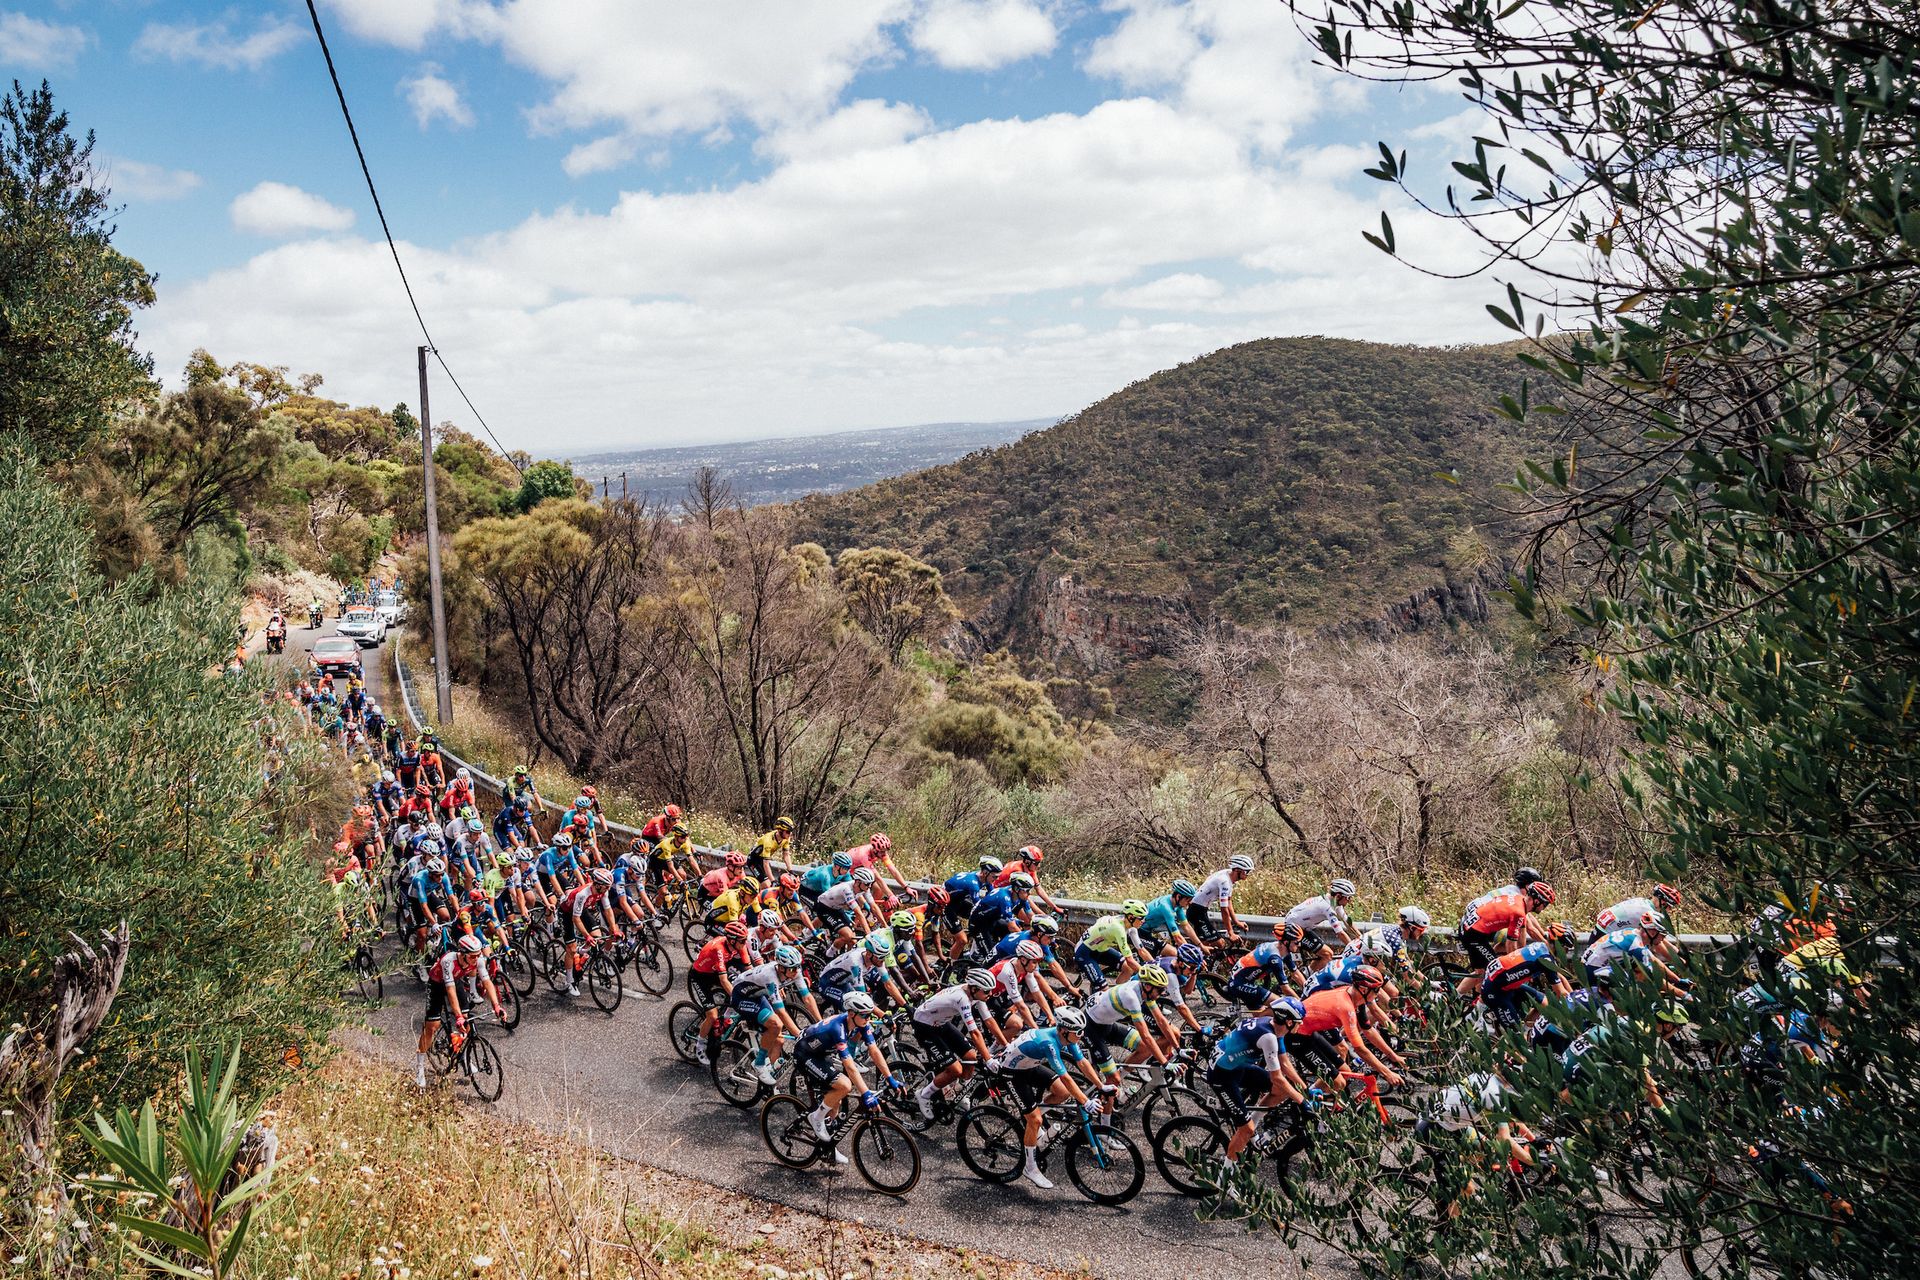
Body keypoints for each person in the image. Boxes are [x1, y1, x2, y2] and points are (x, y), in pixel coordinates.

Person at [987, 1007, 1108, 1189]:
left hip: (1028, 1065)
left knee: (1062, 1093)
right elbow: (1066, 1077)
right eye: (1078, 1032)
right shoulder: (1049, 1043)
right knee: (1035, 1120)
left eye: (1082, 1031)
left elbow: (1082, 1062)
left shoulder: (1068, 1037)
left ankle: (1032, 1118)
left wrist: (1101, 1085)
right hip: (1011, 1072)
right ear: (1064, 1030)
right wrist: (1086, 1101)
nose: (1081, 1036)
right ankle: (1030, 1167)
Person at [794, 994, 899, 1166]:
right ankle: (815, 1118)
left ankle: (828, 1147)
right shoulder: (838, 1028)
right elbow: (850, 1067)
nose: (868, 1018)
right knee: (844, 1085)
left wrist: (890, 1078)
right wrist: (866, 1093)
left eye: (870, 1014)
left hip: (822, 1053)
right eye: (865, 1015)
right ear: (851, 1013)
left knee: (835, 1101)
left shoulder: (861, 1023)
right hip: (805, 1054)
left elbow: (874, 1051)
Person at [1209, 1002, 1310, 1160]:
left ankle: (1253, 1130)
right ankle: (1223, 1179)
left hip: (1235, 1066)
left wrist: (1304, 1090)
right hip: (1221, 1075)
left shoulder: (1274, 1027)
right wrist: (1302, 1101)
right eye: (1299, 1021)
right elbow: (1276, 1077)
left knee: (1281, 1091)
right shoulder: (1269, 1037)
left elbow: (1284, 1063)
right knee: (1246, 1129)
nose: (1300, 1025)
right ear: (1289, 1022)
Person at [910, 970, 1002, 1119]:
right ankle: (923, 1094)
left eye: (991, 990)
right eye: (986, 991)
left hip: (941, 1022)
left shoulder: (976, 994)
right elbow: (975, 1033)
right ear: (974, 988)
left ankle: (959, 1092)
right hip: (924, 1025)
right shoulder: (962, 998)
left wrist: (1005, 1044)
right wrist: (989, 1059)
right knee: (955, 1070)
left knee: (971, 1056)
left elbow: (989, 1020)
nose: (990, 994)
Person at [415, 935, 503, 1088]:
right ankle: (420, 1068)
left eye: (478, 955)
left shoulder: (478, 959)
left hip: (455, 981)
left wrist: (497, 1006)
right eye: (473, 956)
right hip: (437, 984)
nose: (477, 959)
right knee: (432, 1027)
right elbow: (450, 991)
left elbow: (487, 982)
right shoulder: (448, 960)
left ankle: (464, 1056)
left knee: (468, 1021)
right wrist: (458, 1016)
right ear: (462, 954)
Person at [726, 945, 817, 1085]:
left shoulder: (793, 970)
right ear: (781, 968)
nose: (796, 972)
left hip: (757, 995)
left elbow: (807, 998)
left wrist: (821, 1022)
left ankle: (768, 1079)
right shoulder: (770, 976)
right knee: (776, 1025)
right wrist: (799, 1035)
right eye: (793, 969)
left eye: (798, 967)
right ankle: (759, 1063)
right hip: (741, 997)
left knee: (779, 1040)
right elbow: (780, 1011)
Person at [1455, 880, 1556, 995]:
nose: (1545, 908)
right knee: (1495, 971)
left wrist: (1541, 945)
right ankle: (1470, 1001)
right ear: (1537, 901)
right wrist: (1517, 966)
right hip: (1474, 935)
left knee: (1482, 972)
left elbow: (1527, 932)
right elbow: (1511, 944)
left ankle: (1462, 997)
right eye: (1545, 904)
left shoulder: (1519, 900)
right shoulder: (1518, 912)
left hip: (1472, 928)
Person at [1190, 855, 1256, 943]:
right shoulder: (1224, 881)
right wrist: (1231, 933)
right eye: (1247, 871)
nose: (1248, 874)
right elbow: (1224, 909)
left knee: (1207, 944)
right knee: (1219, 943)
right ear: (1237, 870)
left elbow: (1228, 901)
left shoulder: (1229, 876)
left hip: (1200, 910)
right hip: (1196, 912)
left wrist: (1236, 922)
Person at [1073, 912, 1139, 990]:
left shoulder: (1127, 924)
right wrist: (1146, 974)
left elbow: (1141, 949)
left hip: (1099, 949)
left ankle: (1119, 993)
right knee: (1105, 990)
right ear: (1131, 917)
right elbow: (1129, 959)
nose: (1144, 921)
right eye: (1141, 918)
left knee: (1128, 968)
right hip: (1085, 953)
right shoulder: (1118, 929)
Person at [1285, 879, 1360, 947]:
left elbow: (1349, 924)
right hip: (1293, 927)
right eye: (1348, 898)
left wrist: (1362, 939)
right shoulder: (1327, 907)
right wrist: (1353, 949)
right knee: (1326, 955)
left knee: (1326, 954)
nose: (1349, 901)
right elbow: (1340, 933)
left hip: (1303, 927)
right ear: (1338, 896)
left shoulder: (1334, 903)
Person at [1597, 883, 1681, 932]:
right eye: (1670, 907)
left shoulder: (1642, 901)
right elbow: (1656, 942)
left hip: (1601, 929)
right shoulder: (1650, 913)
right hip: (1605, 936)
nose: (1670, 911)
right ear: (1663, 903)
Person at [748, 815, 795, 879]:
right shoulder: (768, 840)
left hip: (763, 860)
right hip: (753, 860)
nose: (790, 834)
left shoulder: (786, 838)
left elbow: (786, 855)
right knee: (767, 884)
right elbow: (766, 864)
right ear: (780, 830)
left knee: (770, 883)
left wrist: (791, 871)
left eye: (791, 832)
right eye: (788, 832)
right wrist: (773, 880)